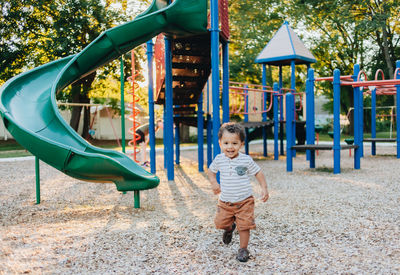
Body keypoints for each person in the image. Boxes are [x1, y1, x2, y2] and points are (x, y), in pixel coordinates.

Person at [208, 122, 269, 262]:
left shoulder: (245, 160)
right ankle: (229, 228)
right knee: (220, 223)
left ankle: (243, 249)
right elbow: (211, 172)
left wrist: (264, 188)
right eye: (226, 143)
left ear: (241, 143)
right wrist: (213, 183)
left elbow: (258, 172)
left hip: (244, 201)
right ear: (220, 143)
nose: (230, 147)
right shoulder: (219, 159)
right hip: (225, 201)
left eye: (234, 143)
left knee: (244, 226)